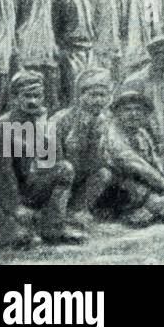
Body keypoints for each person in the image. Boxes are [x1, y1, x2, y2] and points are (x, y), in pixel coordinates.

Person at [0, 71, 85, 247]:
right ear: (15, 98)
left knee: (65, 169)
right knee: (23, 239)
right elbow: (1, 175)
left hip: (28, 190)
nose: (33, 101)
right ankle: (6, 226)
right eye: (27, 96)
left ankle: (53, 227)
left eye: (37, 95)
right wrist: (15, 207)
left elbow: (53, 162)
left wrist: (43, 131)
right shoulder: (1, 127)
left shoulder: (44, 123)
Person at [101, 89, 164, 226]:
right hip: (116, 184)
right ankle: (153, 208)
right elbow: (132, 163)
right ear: (117, 113)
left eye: (138, 110)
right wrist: (162, 183)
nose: (133, 114)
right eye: (127, 110)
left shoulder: (141, 133)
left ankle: (149, 208)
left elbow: (154, 161)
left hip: (138, 181)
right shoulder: (113, 134)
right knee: (130, 185)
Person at [52, 68, 115, 228]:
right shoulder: (62, 119)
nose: (98, 100)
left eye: (102, 95)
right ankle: (55, 214)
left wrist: (96, 140)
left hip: (81, 172)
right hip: (56, 172)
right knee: (65, 169)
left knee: (104, 173)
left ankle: (77, 209)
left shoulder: (103, 121)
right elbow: (54, 156)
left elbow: (100, 160)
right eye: (93, 95)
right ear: (80, 97)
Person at [10, 0, 59, 112]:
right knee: (27, 97)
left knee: (48, 98)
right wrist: (15, 53)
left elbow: (47, 17)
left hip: (45, 49)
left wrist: (52, 44)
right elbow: (12, 22)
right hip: (26, 50)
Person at [122, 34, 164, 142]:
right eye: (160, 53)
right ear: (152, 56)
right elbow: (125, 115)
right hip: (142, 139)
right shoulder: (136, 81)